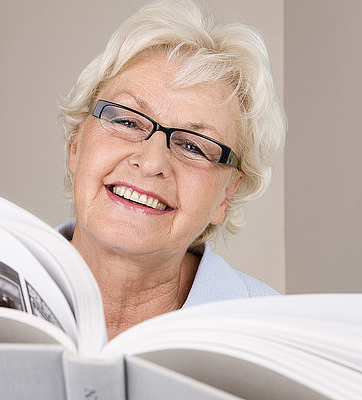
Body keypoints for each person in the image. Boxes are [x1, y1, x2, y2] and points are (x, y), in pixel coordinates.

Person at [57, 0, 286, 340]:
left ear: (227, 194)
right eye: (126, 121)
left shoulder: (279, 335)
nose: (150, 163)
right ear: (77, 144)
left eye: (193, 146)